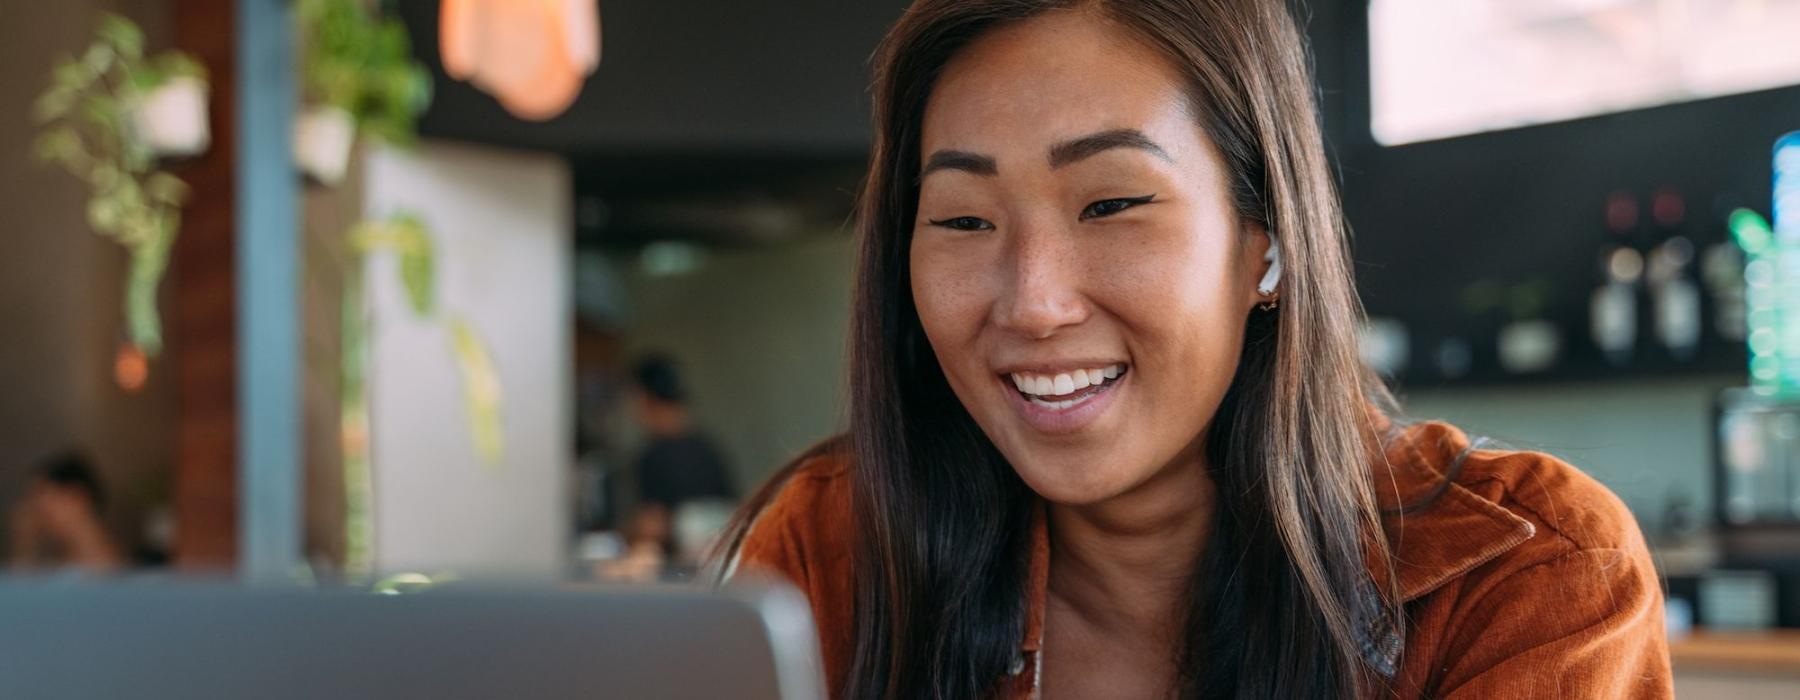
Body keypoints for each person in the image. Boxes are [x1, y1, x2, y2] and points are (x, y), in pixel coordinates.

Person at [716, 1, 1672, 698]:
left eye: (1113, 204)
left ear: (1266, 240)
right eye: (963, 220)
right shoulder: (832, 551)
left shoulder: (1525, 576)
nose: (1035, 303)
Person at [609, 354, 735, 579]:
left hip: (675, 576)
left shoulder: (654, 455)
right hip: (717, 575)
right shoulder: (710, 450)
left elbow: (653, 526)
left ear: (643, 397)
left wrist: (620, 536)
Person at [8, 451, 124, 575]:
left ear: (78, 498)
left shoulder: (118, 570)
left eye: (41, 499)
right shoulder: (54, 569)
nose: (35, 515)